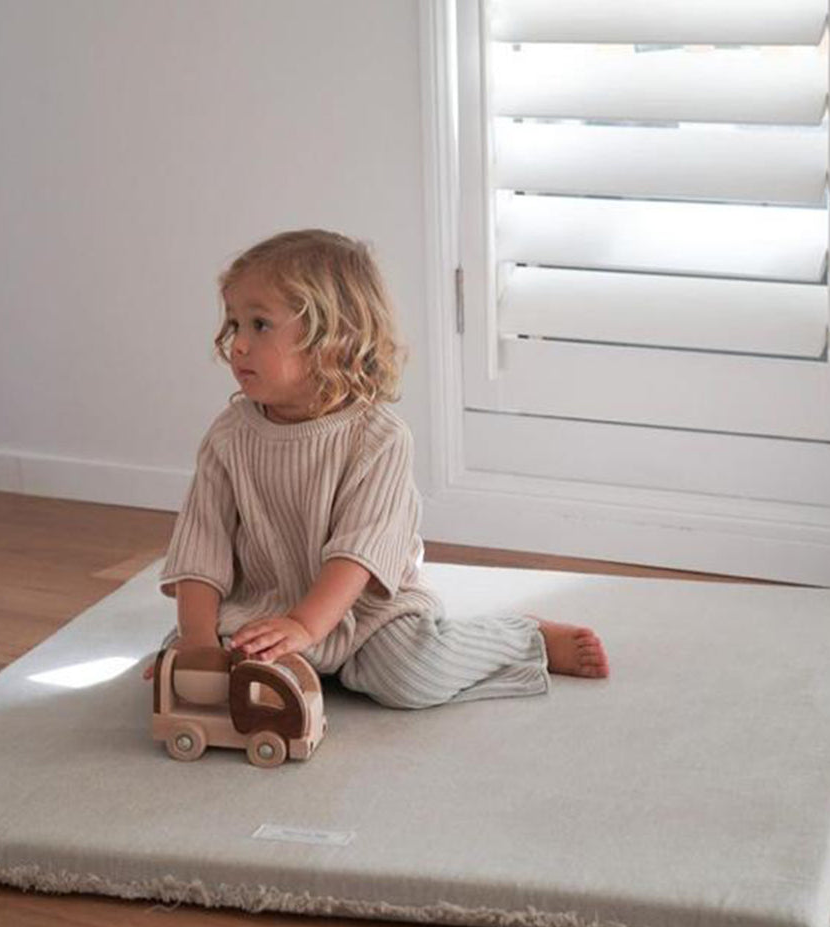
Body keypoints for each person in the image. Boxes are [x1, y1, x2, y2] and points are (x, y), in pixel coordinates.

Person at [145, 228, 608, 708]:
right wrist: (197, 642)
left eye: (259, 325)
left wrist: (306, 627)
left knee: (414, 675)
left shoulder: (378, 439)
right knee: (188, 666)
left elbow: (359, 555)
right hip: (263, 608)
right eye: (235, 324)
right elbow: (203, 543)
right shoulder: (229, 436)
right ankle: (281, 664)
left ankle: (523, 636)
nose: (238, 345)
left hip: (367, 615)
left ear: (332, 337)